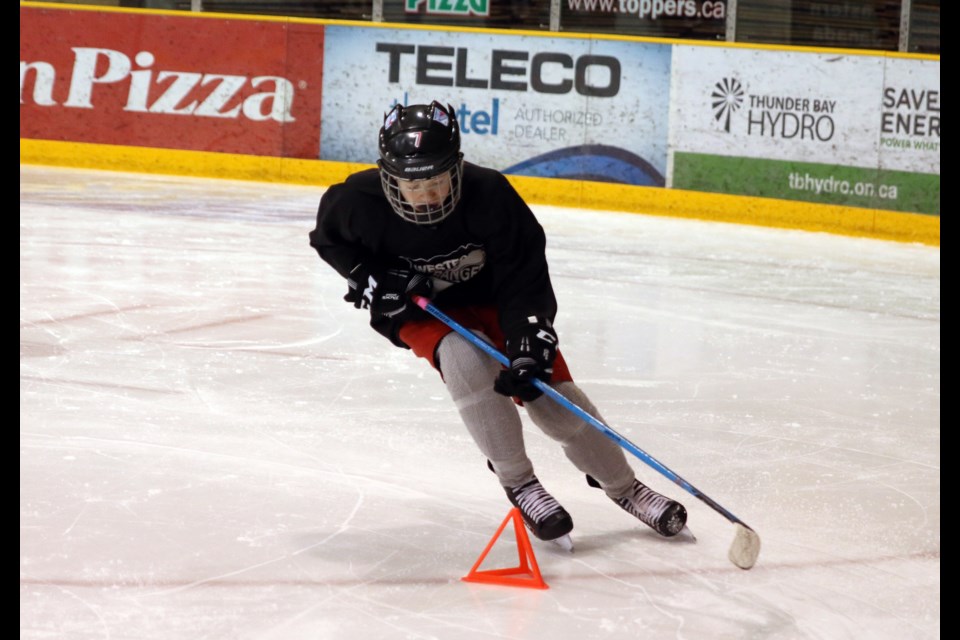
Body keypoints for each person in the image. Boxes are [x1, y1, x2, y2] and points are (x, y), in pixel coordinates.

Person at [309, 100, 687, 544]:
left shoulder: (490, 195)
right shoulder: (355, 200)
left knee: (552, 401)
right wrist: (370, 278)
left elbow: (523, 277)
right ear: (387, 176)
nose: (426, 194)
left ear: (458, 167)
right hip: (418, 305)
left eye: (436, 180)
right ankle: (519, 481)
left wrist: (529, 339)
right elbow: (329, 241)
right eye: (412, 184)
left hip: (495, 298)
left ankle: (626, 487)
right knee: (463, 360)